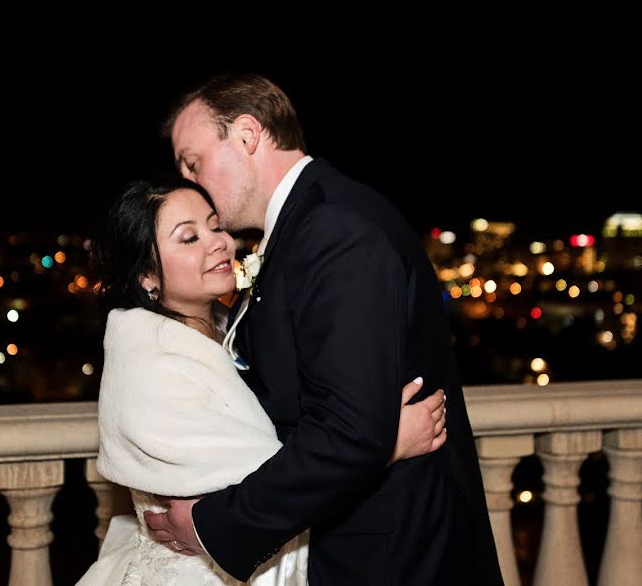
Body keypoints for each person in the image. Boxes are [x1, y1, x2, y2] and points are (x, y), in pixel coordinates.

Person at [145, 75, 503, 585]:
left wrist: (212, 525)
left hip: (393, 557)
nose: (188, 182)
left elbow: (348, 432)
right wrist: (386, 440)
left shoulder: (334, 230)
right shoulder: (303, 226)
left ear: (247, 135)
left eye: (193, 162)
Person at [75, 179, 447, 585]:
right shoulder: (153, 365)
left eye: (215, 226)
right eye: (188, 237)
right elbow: (267, 484)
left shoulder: (227, 327)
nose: (217, 242)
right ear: (147, 275)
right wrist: (386, 442)